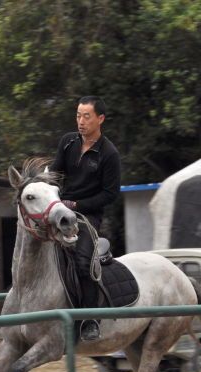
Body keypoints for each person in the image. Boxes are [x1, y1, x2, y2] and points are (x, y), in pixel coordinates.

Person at [50, 95, 121, 341]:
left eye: (86, 116)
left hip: (87, 216)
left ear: (100, 119)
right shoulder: (67, 142)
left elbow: (110, 195)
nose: (80, 121)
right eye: (78, 115)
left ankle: (90, 319)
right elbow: (56, 174)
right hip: (60, 209)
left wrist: (78, 204)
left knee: (83, 262)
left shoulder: (109, 154)